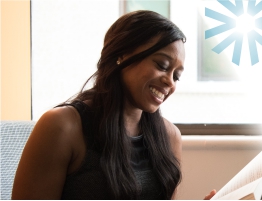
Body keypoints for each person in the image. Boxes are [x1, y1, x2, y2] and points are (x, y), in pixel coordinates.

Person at [11, 10, 216, 200]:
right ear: (121, 55)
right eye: (161, 65)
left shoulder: (169, 136)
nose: (170, 82)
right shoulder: (62, 127)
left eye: (177, 76)